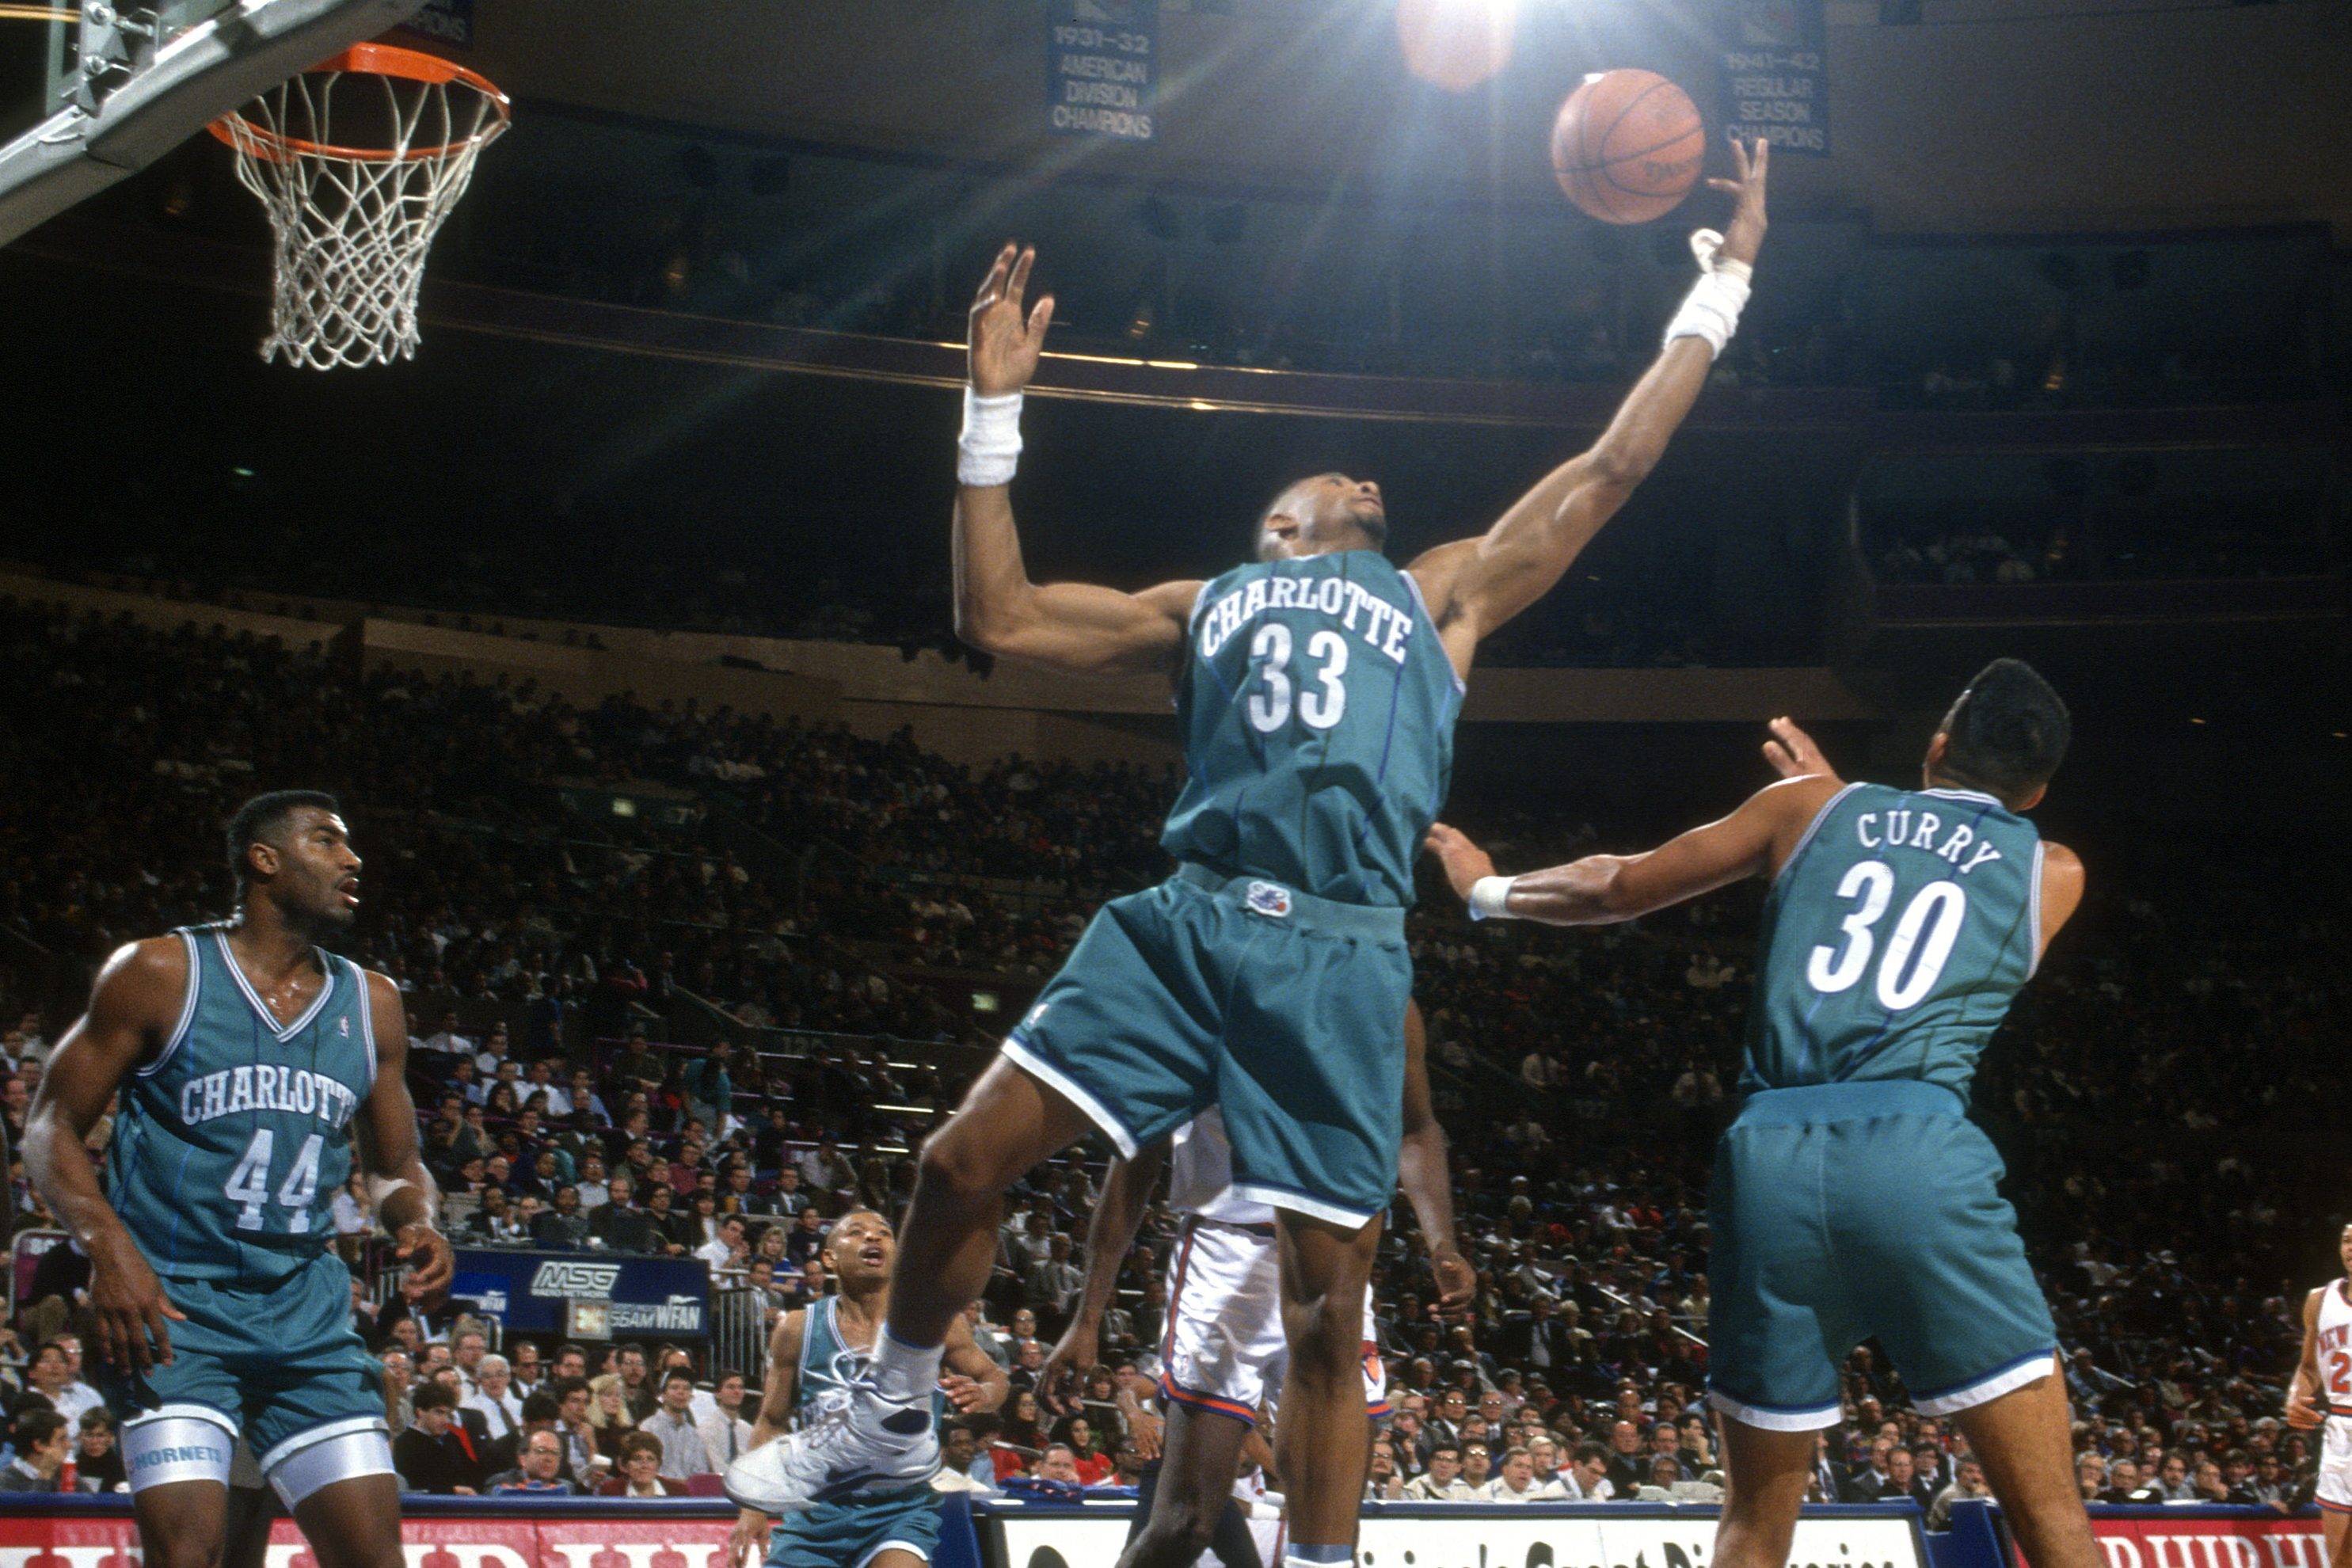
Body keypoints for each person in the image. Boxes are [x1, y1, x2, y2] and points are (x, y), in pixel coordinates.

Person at [744, 146, 1774, 1559]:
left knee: (1326, 1314)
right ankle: (889, 1416)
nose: (1368, 474)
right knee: (957, 1158)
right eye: (1337, 476)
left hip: (1340, 950)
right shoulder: (1205, 601)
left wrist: (1726, 281)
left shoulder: (1441, 594)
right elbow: (999, 616)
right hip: (1188, 920)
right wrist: (991, 412)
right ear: (1281, 524)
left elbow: (1614, 464)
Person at [1425, 666, 2095, 1568]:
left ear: (1937, 746)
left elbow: (1615, 887)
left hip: (1769, 1161)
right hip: (1917, 1158)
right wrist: (1846, 805)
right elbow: (1936, 888)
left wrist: (1485, 888)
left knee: (1751, 1523)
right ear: (2038, 792)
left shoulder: (1806, 807)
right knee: (2050, 1518)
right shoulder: (2056, 872)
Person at [22, 791, 454, 1568]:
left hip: (305, 1312)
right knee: (190, 1555)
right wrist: (110, 1251)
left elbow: (393, 1167)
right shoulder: (159, 972)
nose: (353, 859)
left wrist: (415, 1220)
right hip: (176, 1310)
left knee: (375, 1558)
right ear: (264, 859)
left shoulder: (373, 1002)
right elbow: (50, 1128)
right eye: (327, 841)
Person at [1041, 1001, 1471, 1568]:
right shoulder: (1204, 994)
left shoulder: (1384, 996)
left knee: (1332, 1527)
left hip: (1337, 1261)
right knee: (1185, 1523)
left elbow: (1415, 1129)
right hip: (1227, 1253)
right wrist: (1087, 1318)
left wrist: (1443, 1244)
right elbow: (1135, 1165)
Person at [728, 1209, 1008, 1568]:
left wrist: (985, 1395)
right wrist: (752, 1507)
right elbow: (771, 1421)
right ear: (830, 1258)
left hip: (901, 1507)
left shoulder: (932, 1322)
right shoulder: (797, 1329)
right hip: (818, 1510)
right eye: (857, 1232)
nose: (873, 1237)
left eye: (884, 1233)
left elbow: (995, 1377)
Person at [2285, 1221, 2352, 1560]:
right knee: (2341, 1559)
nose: (2351, 1247)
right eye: (2347, 1240)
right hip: (2340, 1431)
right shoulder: (2319, 1299)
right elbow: (2309, 1366)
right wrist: (2295, 1395)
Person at [0, 1408, 70, 1491]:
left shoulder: (64, 1471)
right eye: (61, 1439)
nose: (69, 1445)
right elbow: (36, 1500)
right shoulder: (5, 1481)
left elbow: (84, 1497)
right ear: (39, 1445)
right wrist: (45, 1474)